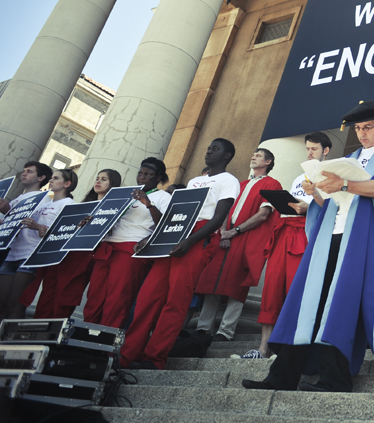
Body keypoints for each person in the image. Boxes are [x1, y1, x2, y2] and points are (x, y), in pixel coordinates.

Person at [243, 100, 374, 393]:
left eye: (367, 127)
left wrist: (345, 185)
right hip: (328, 236)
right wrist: (316, 192)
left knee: (340, 307)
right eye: (358, 128)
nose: (362, 134)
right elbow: (331, 202)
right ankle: (281, 377)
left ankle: (335, 380)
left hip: (360, 241)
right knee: (307, 303)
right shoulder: (352, 157)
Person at [121, 138, 240, 369]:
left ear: (227, 156)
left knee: (176, 300)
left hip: (198, 237)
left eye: (215, 149)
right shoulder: (195, 181)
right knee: (149, 297)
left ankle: (154, 359)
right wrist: (151, 238)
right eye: (208, 148)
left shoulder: (229, 180)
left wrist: (191, 240)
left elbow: (218, 218)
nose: (208, 151)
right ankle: (128, 354)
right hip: (174, 233)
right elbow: (173, 215)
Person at [250, 132, 331, 360]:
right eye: (307, 148)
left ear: (325, 151)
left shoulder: (330, 175)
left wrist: (309, 206)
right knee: (272, 289)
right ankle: (263, 348)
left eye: (314, 149)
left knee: (295, 290)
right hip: (283, 231)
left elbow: (331, 207)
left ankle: (289, 350)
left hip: (304, 235)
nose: (309, 153)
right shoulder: (298, 178)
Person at [196, 148, 281, 343]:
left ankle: (225, 331)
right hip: (225, 234)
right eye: (253, 154)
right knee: (212, 281)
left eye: (259, 155)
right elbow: (224, 208)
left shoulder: (272, 184)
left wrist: (235, 232)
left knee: (236, 285)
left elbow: (263, 214)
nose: (253, 156)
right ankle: (203, 328)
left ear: (268, 162)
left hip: (245, 238)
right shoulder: (240, 184)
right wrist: (224, 231)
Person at [83, 158, 171, 328]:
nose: (142, 178)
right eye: (140, 173)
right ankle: (86, 337)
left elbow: (166, 225)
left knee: (117, 299)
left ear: (158, 177)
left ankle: (105, 343)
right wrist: (93, 221)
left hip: (130, 249)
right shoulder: (125, 193)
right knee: (95, 296)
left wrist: (149, 204)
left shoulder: (162, 196)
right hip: (107, 246)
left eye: (148, 175)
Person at [23, 168, 120, 319]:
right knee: (49, 290)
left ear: (113, 184)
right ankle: (37, 327)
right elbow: (66, 228)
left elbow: (110, 232)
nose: (98, 181)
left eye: (104, 179)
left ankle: (54, 332)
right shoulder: (83, 204)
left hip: (84, 256)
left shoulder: (115, 206)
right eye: (97, 178)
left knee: (67, 293)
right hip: (64, 252)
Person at [2, 166, 75, 319]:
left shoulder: (68, 204)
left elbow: (61, 233)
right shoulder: (44, 202)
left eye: (56, 178)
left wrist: (38, 227)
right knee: (2, 302)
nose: (51, 181)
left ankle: (11, 340)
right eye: (51, 178)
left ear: (67, 184)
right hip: (14, 252)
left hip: (31, 256)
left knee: (16, 303)